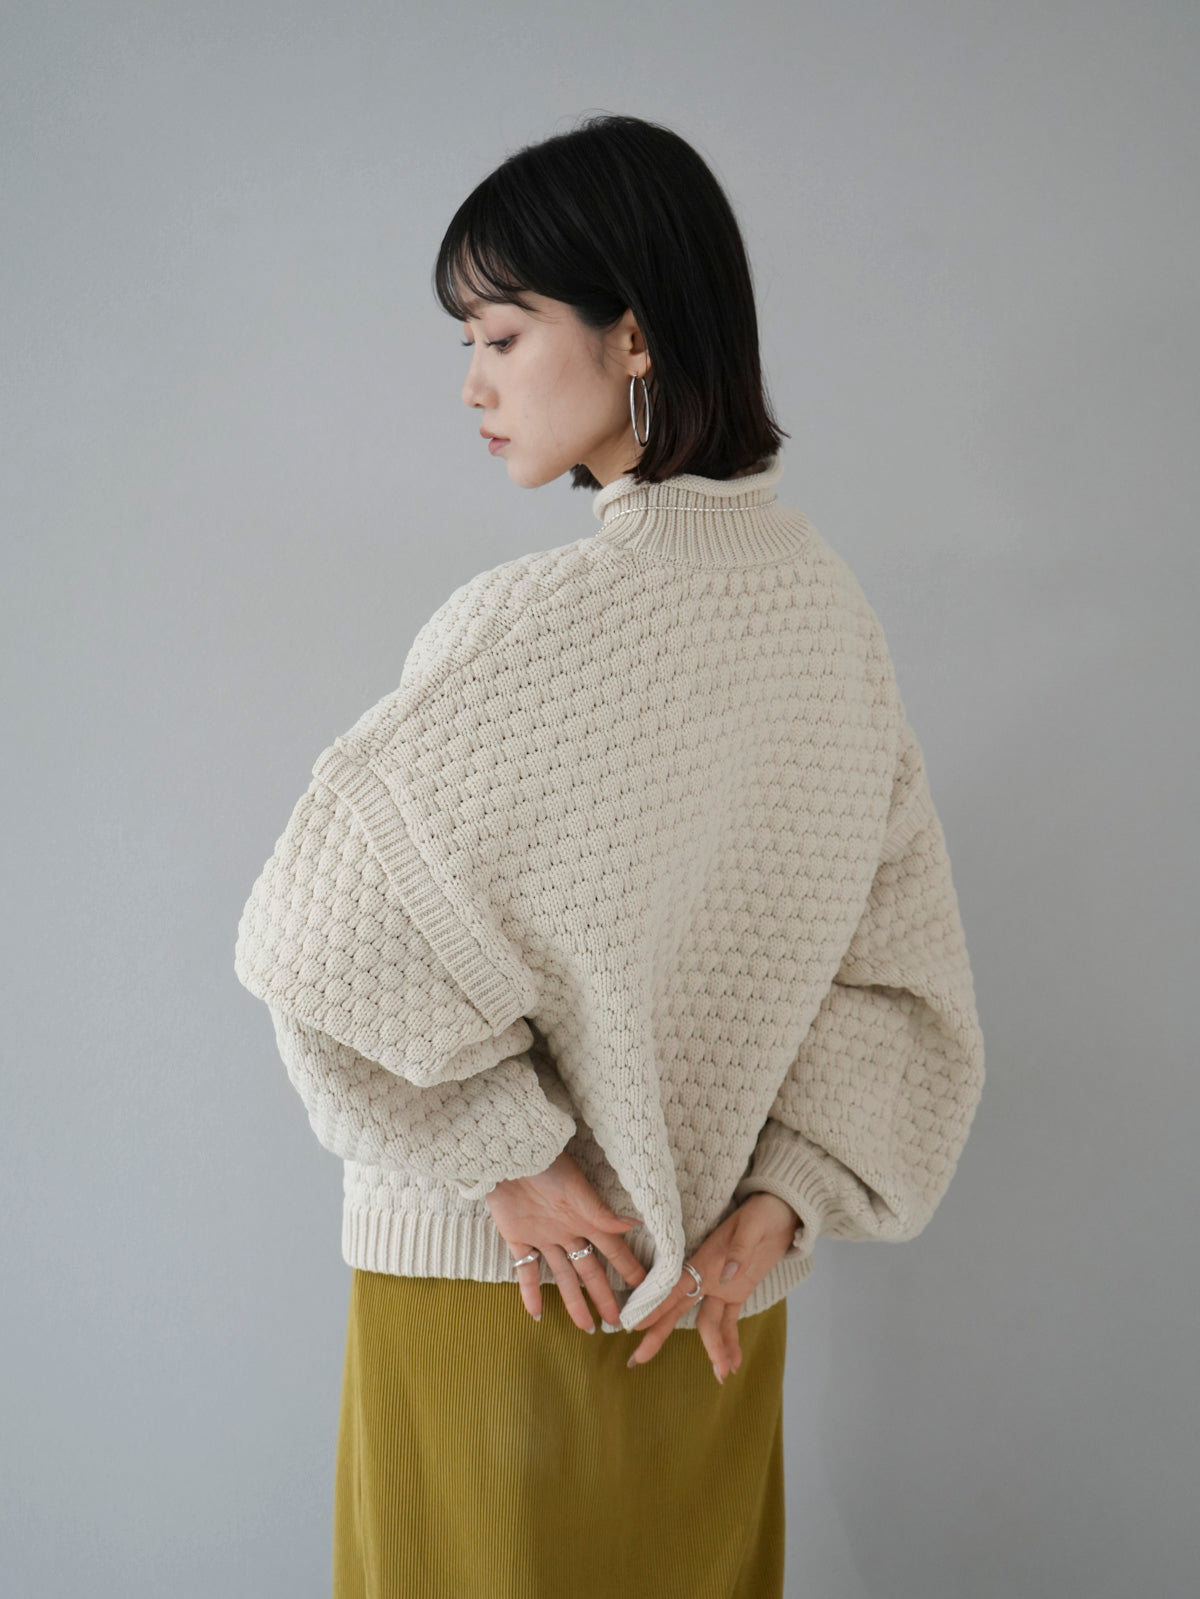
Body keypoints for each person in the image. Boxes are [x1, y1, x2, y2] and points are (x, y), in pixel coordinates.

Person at [233, 113, 986, 1599]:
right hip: (713, 1309)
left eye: (503, 334)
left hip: (499, 1296)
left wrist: (508, 1165)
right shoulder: (830, 621)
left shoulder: (530, 626)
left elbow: (313, 941)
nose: (473, 383)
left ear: (631, 334)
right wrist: (776, 1207)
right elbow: (897, 987)